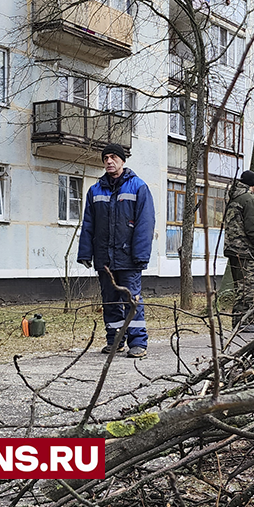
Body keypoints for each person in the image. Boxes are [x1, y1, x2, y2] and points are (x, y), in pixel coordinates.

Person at [77, 143, 156, 358]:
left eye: (113, 157)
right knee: (109, 301)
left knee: (131, 300)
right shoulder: (95, 191)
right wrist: (85, 253)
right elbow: (88, 225)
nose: (109, 161)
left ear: (122, 160)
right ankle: (115, 341)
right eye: (105, 158)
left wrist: (140, 255)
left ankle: (138, 343)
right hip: (104, 259)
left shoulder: (138, 187)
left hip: (129, 258)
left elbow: (145, 224)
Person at [223, 170, 254, 332]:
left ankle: (246, 320)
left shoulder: (234, 197)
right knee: (247, 288)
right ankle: (243, 323)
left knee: (241, 288)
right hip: (244, 250)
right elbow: (253, 229)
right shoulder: (249, 199)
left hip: (233, 248)